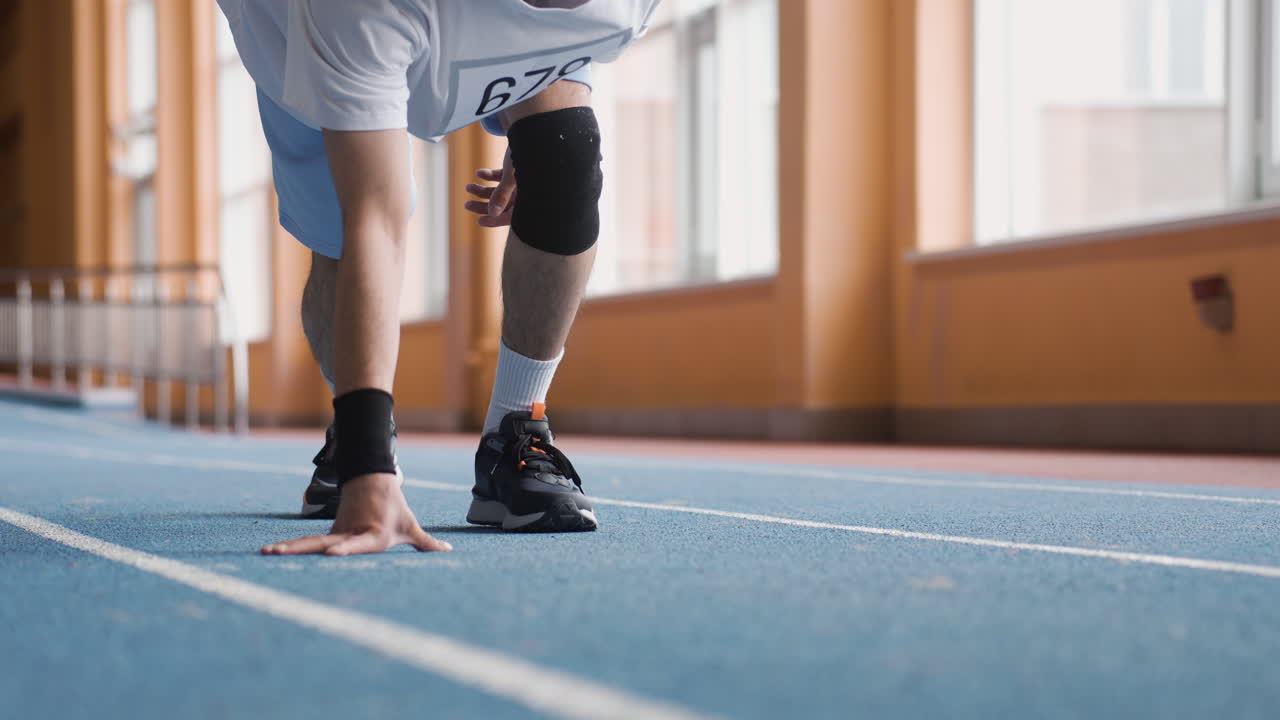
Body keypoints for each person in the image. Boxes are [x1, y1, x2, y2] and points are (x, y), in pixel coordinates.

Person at [215, 0, 661, 555]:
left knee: (564, 154)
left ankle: (515, 431)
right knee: (341, 243)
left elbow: (567, 42)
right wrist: (368, 468)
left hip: (452, 22)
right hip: (302, 36)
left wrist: (529, 117)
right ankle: (356, 429)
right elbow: (376, 222)